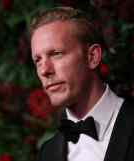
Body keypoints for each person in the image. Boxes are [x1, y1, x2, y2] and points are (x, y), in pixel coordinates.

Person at [29, 6, 134, 161]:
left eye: (56, 54)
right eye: (38, 60)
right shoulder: (47, 153)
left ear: (92, 57)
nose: (44, 70)